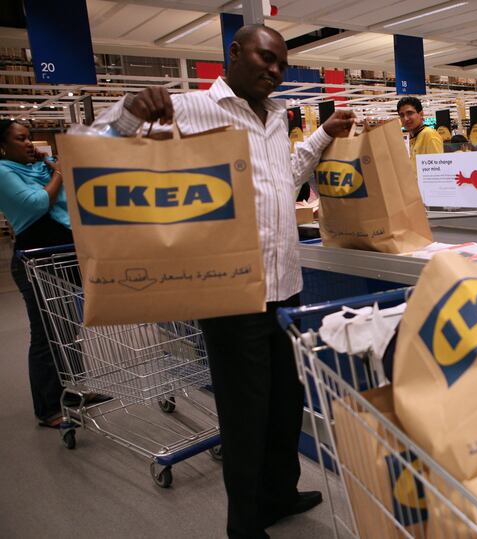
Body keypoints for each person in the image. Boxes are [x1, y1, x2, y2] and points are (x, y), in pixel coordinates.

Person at [92, 24, 355, 539]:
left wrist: (323, 133)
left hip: (285, 287)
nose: (275, 71)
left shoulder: (277, 116)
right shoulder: (189, 108)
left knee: (284, 402)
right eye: (265, 58)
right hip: (232, 291)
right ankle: (245, 521)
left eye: (281, 64)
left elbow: (286, 175)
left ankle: (278, 494)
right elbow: (96, 144)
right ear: (233, 53)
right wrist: (130, 113)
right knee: (245, 411)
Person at [0, 120, 72, 429]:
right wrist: (59, 172)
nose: (29, 143)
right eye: (21, 139)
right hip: (35, 261)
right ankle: (48, 407)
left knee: (68, 329)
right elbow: (38, 202)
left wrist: (53, 168)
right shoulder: (4, 172)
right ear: (3, 147)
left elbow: (67, 200)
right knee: (45, 334)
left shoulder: (41, 169)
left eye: (30, 138)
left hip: (66, 256)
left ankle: (72, 392)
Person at [397, 96, 443, 161]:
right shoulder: (415, 137)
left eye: (410, 113)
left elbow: (437, 168)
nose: (406, 119)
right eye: (402, 115)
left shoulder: (429, 134)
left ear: (421, 114)